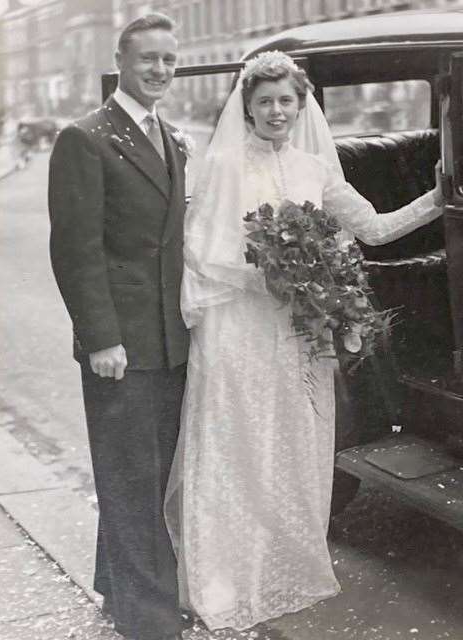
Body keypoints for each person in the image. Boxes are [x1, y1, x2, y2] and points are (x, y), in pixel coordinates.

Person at [164, 51, 443, 632]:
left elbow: (375, 228)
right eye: (263, 101)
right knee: (241, 440)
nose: (275, 111)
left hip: (295, 332)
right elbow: (199, 253)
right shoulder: (223, 166)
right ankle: (226, 576)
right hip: (239, 326)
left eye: (285, 100)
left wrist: (440, 198)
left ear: (301, 104)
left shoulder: (317, 168)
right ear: (247, 107)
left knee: (292, 437)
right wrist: (273, 274)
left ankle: (284, 561)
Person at [48, 14, 190, 640]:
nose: (159, 70)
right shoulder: (86, 138)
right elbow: (75, 251)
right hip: (121, 344)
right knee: (130, 478)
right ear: (121, 62)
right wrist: (101, 336)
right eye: (147, 60)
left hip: (168, 337)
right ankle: (149, 617)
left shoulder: (170, 136)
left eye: (168, 60)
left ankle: (115, 584)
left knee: (146, 472)